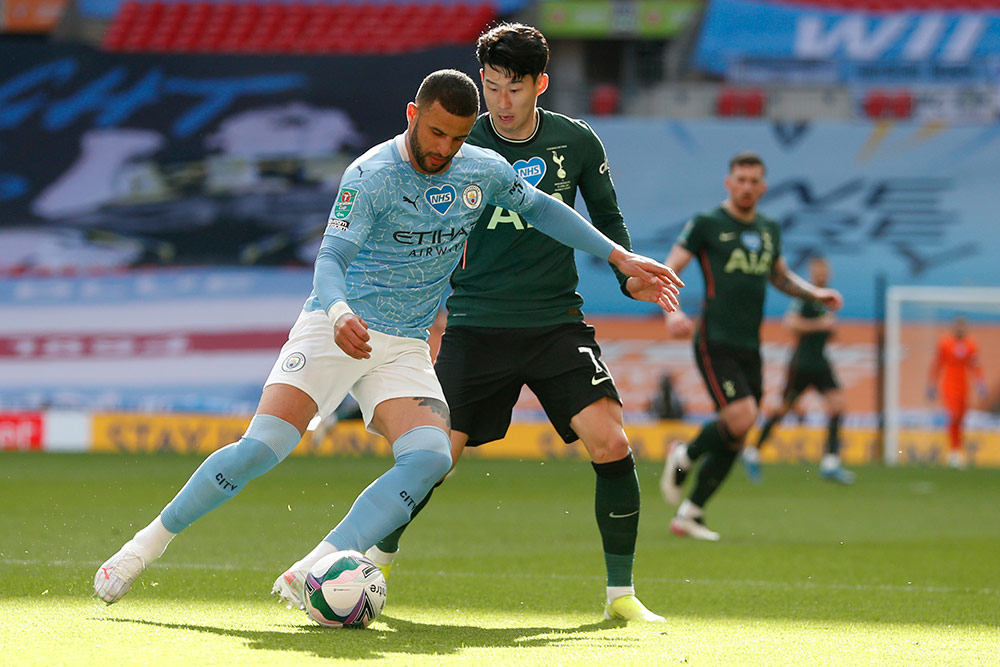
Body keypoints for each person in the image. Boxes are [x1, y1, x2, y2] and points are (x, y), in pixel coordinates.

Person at [93, 69, 681, 605]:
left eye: (455, 138)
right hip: (337, 326)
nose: (444, 149)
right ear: (411, 115)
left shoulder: (481, 168)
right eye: (435, 133)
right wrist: (341, 310)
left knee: (427, 459)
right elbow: (330, 260)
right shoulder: (371, 175)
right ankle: (141, 548)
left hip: (401, 345)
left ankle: (315, 568)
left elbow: (547, 211)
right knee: (260, 449)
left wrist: (618, 255)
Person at [357, 23, 674, 623]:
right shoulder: (461, 140)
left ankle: (621, 597)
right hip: (476, 324)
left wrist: (628, 275)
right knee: (431, 457)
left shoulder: (576, 143)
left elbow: (606, 220)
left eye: (513, 89)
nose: (500, 102)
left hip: (556, 324)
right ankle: (376, 561)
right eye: (492, 86)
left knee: (611, 441)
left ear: (540, 86)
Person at [659, 152, 843, 541]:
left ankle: (691, 513)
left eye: (753, 180)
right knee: (741, 418)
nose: (746, 186)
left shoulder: (768, 228)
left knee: (739, 432)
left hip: (749, 344)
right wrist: (671, 312)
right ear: (729, 183)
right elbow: (671, 268)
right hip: (714, 340)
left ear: (762, 187)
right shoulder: (708, 223)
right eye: (740, 179)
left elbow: (779, 276)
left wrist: (815, 293)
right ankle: (686, 454)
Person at [742, 256, 855, 485]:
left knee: (838, 405)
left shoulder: (825, 300)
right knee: (784, 409)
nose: (822, 272)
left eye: (825, 268)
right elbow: (790, 323)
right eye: (818, 268)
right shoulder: (807, 296)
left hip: (820, 361)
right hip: (802, 363)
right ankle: (752, 452)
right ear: (812, 272)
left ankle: (830, 463)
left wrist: (828, 333)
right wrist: (821, 326)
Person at [927, 316, 987, 469]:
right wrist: (931, 384)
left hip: (963, 385)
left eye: (962, 327)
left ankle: (958, 450)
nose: (960, 329)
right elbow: (937, 364)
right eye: (958, 326)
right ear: (953, 327)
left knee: (961, 417)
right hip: (949, 384)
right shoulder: (945, 343)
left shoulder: (971, 345)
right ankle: (953, 451)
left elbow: (975, 366)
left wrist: (980, 383)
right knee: (953, 415)